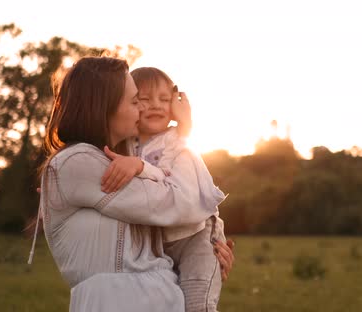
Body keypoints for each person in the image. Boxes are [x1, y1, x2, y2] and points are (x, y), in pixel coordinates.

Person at [29, 56, 234, 312]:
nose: (144, 109)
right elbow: (180, 202)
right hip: (116, 302)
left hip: (165, 299)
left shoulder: (131, 159)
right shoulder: (78, 161)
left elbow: (173, 220)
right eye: (136, 100)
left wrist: (205, 252)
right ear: (106, 105)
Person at [101, 66, 227, 312]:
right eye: (145, 99)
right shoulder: (125, 143)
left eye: (165, 99)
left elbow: (169, 177)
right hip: (159, 242)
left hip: (197, 236)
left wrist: (184, 120)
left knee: (197, 301)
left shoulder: (176, 139)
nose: (156, 105)